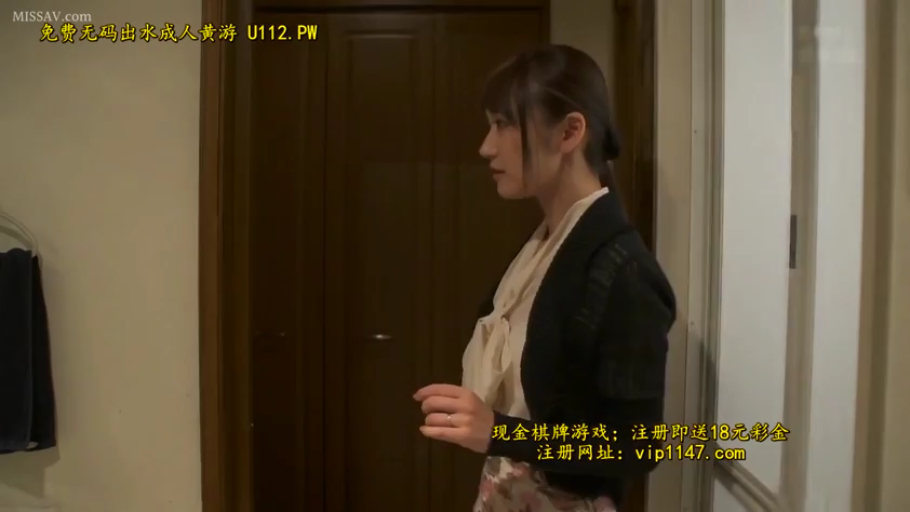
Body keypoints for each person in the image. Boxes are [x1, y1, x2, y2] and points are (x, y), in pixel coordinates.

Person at [413, 44, 676, 511]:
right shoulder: (544, 245)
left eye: (504, 124)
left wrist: (500, 432)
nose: (486, 146)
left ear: (570, 132)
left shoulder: (623, 271)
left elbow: (637, 447)